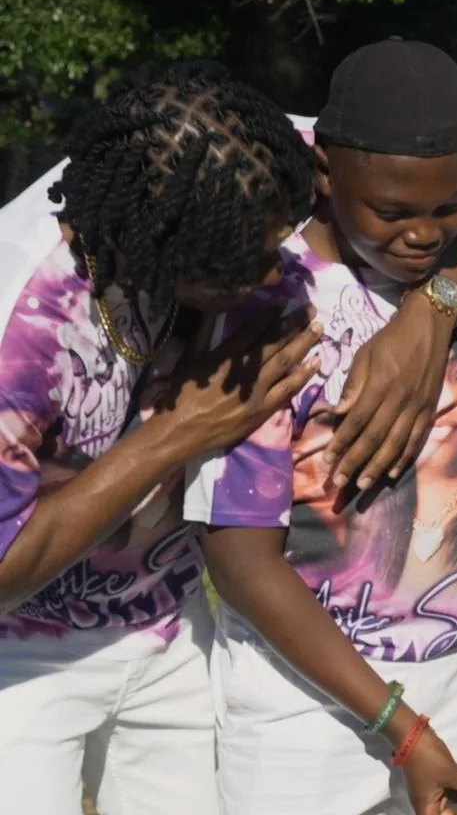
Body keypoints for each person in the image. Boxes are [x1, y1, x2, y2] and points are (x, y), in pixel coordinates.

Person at [0, 60, 327, 814]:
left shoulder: (236, 162)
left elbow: (454, 150)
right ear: (160, 241)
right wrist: (176, 433)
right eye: (241, 259)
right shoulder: (23, 320)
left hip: (168, 626)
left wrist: (435, 304)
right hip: (22, 656)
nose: (271, 267)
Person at [185, 39, 457, 815]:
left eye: (445, 207)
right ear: (324, 173)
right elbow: (242, 564)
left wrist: (443, 301)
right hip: (306, 725)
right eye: (391, 212)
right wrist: (404, 730)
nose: (424, 235)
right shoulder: (271, 311)